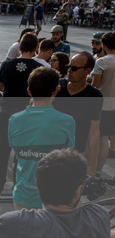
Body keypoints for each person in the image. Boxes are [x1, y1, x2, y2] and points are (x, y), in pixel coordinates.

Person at [9, 68, 75, 209]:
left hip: (23, 193)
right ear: (56, 90)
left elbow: (17, 153)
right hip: (55, 195)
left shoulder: (14, 120)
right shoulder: (67, 121)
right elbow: (69, 154)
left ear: (29, 91)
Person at [0, 33, 42, 195]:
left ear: (19, 47)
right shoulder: (38, 68)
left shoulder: (7, 65)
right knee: (23, 152)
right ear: (35, 49)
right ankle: (17, 185)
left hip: (7, 111)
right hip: (27, 113)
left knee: (3, 150)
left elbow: (2, 87)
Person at [54, 52, 102, 181]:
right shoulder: (57, 87)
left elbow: (94, 132)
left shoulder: (94, 96)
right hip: (51, 150)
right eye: (69, 66)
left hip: (76, 153)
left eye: (74, 68)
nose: (69, 70)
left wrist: (91, 167)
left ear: (88, 71)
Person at [92, 32, 115, 177]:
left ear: (104, 45)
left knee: (102, 139)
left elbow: (95, 86)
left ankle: (98, 170)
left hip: (105, 105)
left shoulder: (102, 62)